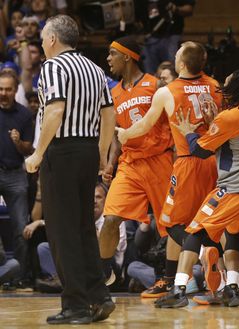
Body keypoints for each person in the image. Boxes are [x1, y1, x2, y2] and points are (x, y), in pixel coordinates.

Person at [153, 69, 239, 308]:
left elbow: (201, 150)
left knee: (197, 230)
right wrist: (216, 122)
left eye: (226, 84)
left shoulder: (229, 117)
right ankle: (234, 287)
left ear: (233, 91)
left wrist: (189, 132)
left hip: (238, 186)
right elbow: (238, 135)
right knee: (233, 232)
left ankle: (179, 289)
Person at [25, 15, 115, 324]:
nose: (41, 44)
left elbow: (56, 109)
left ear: (52, 40)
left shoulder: (53, 67)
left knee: (62, 233)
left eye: (42, 39)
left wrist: (37, 153)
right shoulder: (95, 69)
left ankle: (75, 305)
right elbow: (108, 113)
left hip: (61, 152)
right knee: (83, 229)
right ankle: (99, 297)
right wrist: (102, 154)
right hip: (88, 150)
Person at [115, 41, 221, 298]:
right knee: (208, 221)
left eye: (177, 54)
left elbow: (145, 126)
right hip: (213, 162)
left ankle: (204, 254)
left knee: (170, 221)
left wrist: (124, 134)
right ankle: (191, 278)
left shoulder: (167, 92)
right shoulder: (215, 86)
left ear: (182, 64)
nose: (173, 56)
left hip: (187, 162)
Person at [98, 35, 173, 284]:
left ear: (127, 56)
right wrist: (110, 162)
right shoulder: (113, 92)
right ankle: (102, 273)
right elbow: (118, 135)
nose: (108, 59)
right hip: (130, 163)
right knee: (110, 218)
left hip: (160, 160)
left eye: (112, 54)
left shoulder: (156, 86)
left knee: (171, 226)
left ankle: (170, 278)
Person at [0, 70, 33, 285]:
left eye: (8, 89)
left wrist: (18, 142)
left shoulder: (24, 114)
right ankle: (5, 269)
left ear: (16, 90)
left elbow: (28, 149)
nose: (3, 93)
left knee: (22, 228)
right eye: (0, 89)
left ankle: (18, 276)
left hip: (15, 173)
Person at [137, 0, 196, 74]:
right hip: (148, 37)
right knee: (150, 72)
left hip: (172, 35)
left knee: (172, 70)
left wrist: (176, 9)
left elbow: (189, 9)